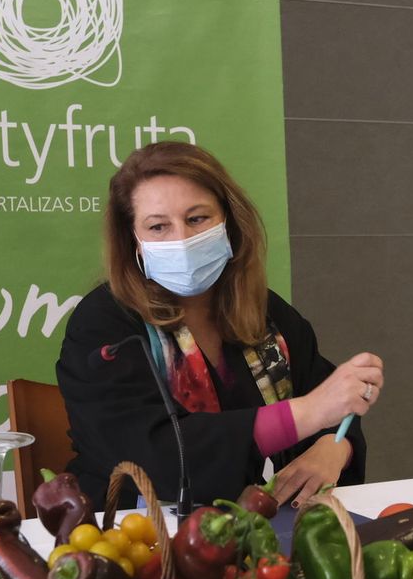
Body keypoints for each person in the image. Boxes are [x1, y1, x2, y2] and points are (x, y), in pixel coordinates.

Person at [56, 141, 384, 511]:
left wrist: (333, 448)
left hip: (262, 524)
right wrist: (307, 412)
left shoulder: (266, 313)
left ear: (229, 222)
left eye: (197, 218)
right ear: (133, 240)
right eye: (158, 226)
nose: (181, 239)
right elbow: (154, 455)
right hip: (135, 532)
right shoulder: (103, 324)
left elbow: (329, 406)